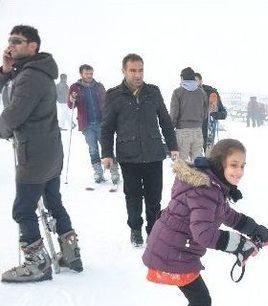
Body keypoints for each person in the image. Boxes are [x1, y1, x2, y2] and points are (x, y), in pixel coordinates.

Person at [142, 139, 268, 306]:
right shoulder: (206, 189)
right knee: (202, 301)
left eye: (243, 166)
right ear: (220, 163)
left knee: (197, 300)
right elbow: (204, 234)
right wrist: (240, 245)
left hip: (173, 249)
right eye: (234, 164)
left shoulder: (212, 185)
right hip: (173, 254)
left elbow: (226, 214)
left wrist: (253, 228)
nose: (239, 171)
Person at [0, 25, 83, 282]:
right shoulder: (36, 71)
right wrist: (4, 71)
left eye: (17, 41)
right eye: (9, 40)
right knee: (53, 201)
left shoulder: (29, 76)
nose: (11, 45)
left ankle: (37, 264)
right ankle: (71, 254)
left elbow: (13, 115)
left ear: (33, 46)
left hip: (34, 154)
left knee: (23, 209)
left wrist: (3, 129)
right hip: (49, 152)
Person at [100, 53, 179, 247]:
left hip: (153, 154)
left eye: (140, 70)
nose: (137, 75)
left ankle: (154, 230)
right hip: (129, 156)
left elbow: (166, 122)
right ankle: (135, 229)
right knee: (133, 196)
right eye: (133, 70)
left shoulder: (153, 92)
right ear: (124, 71)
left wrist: (173, 146)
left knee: (154, 197)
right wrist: (107, 153)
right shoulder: (114, 95)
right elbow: (107, 128)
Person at [68, 64, 119, 185]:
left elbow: (107, 102)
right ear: (81, 74)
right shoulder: (75, 87)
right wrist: (72, 99)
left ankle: (114, 171)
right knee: (93, 150)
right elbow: (70, 105)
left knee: (107, 148)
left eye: (91, 73)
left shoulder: (99, 86)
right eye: (86, 74)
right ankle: (98, 172)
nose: (89, 76)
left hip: (102, 123)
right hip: (87, 124)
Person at [170, 67, 208, 162]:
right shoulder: (202, 92)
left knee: (181, 165)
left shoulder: (178, 92)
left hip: (183, 131)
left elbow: (174, 114)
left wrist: (171, 128)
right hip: (198, 131)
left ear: (182, 78)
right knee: (198, 165)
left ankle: (183, 178)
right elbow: (206, 113)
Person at [194, 72, 227, 152]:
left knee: (205, 156)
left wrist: (215, 114)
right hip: (190, 130)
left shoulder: (211, 93)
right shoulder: (184, 94)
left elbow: (223, 113)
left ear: (201, 81)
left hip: (206, 130)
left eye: (195, 80)